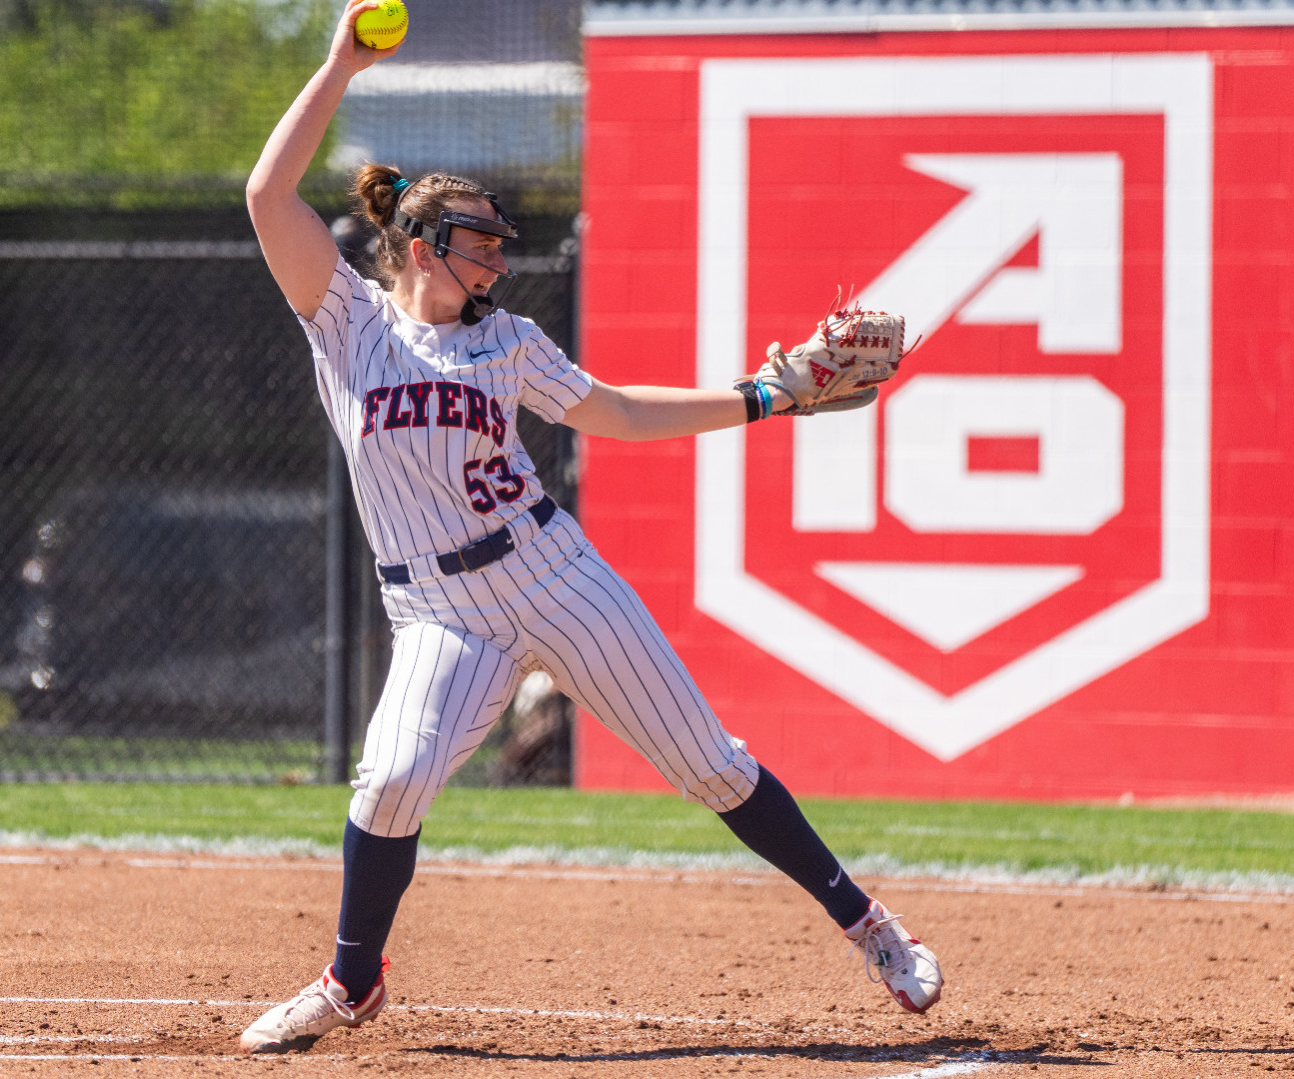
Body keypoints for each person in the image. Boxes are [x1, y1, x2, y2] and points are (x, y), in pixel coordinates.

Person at [235, 0, 942, 1054]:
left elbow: (615, 411)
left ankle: (869, 923)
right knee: (388, 780)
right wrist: (342, 60)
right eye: (479, 239)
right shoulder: (348, 322)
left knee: (711, 763)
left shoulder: (510, 340)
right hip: (436, 609)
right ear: (422, 244)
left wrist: (762, 395)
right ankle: (350, 979)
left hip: (553, 574)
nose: (498, 257)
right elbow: (264, 192)